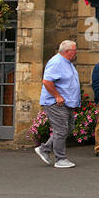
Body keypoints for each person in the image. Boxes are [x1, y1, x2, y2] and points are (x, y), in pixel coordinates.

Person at [36, 40, 81, 169]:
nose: (76, 52)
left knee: (68, 128)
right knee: (61, 130)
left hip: (66, 103)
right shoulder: (56, 62)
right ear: (67, 52)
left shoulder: (67, 63)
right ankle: (60, 159)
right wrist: (57, 96)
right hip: (55, 103)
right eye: (74, 50)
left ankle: (44, 149)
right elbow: (47, 81)